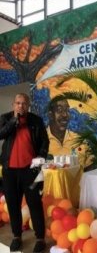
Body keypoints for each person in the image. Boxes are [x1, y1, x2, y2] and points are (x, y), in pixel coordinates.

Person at [0, 93, 47, 252]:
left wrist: (40, 157)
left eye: (24, 103)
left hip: (30, 171)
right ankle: (16, 236)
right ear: (14, 105)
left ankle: (40, 238)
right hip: (10, 172)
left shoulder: (36, 121)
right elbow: (1, 134)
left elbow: (44, 142)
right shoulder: (6, 118)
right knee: (13, 205)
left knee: (35, 204)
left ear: (28, 105)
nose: (21, 106)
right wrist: (15, 120)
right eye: (18, 103)